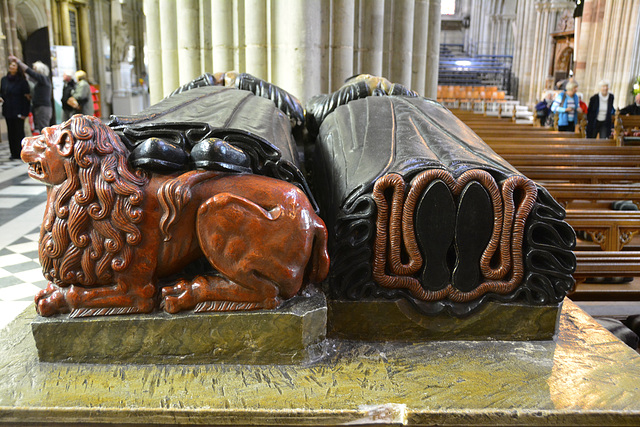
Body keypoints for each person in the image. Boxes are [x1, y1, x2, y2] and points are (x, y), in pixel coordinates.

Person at [8, 55, 52, 134]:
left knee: (44, 129)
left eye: (35, 69)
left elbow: (29, 71)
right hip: (39, 107)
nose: (34, 71)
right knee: (41, 128)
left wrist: (18, 62)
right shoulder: (41, 82)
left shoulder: (43, 78)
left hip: (43, 108)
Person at [0, 58, 30, 160]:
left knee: (19, 132)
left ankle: (21, 153)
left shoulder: (22, 81)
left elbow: (26, 98)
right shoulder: (4, 80)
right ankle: (13, 153)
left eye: (14, 65)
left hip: (19, 110)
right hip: (8, 110)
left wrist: (24, 112)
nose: (11, 67)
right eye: (11, 65)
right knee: (11, 132)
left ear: (18, 68)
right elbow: (2, 92)